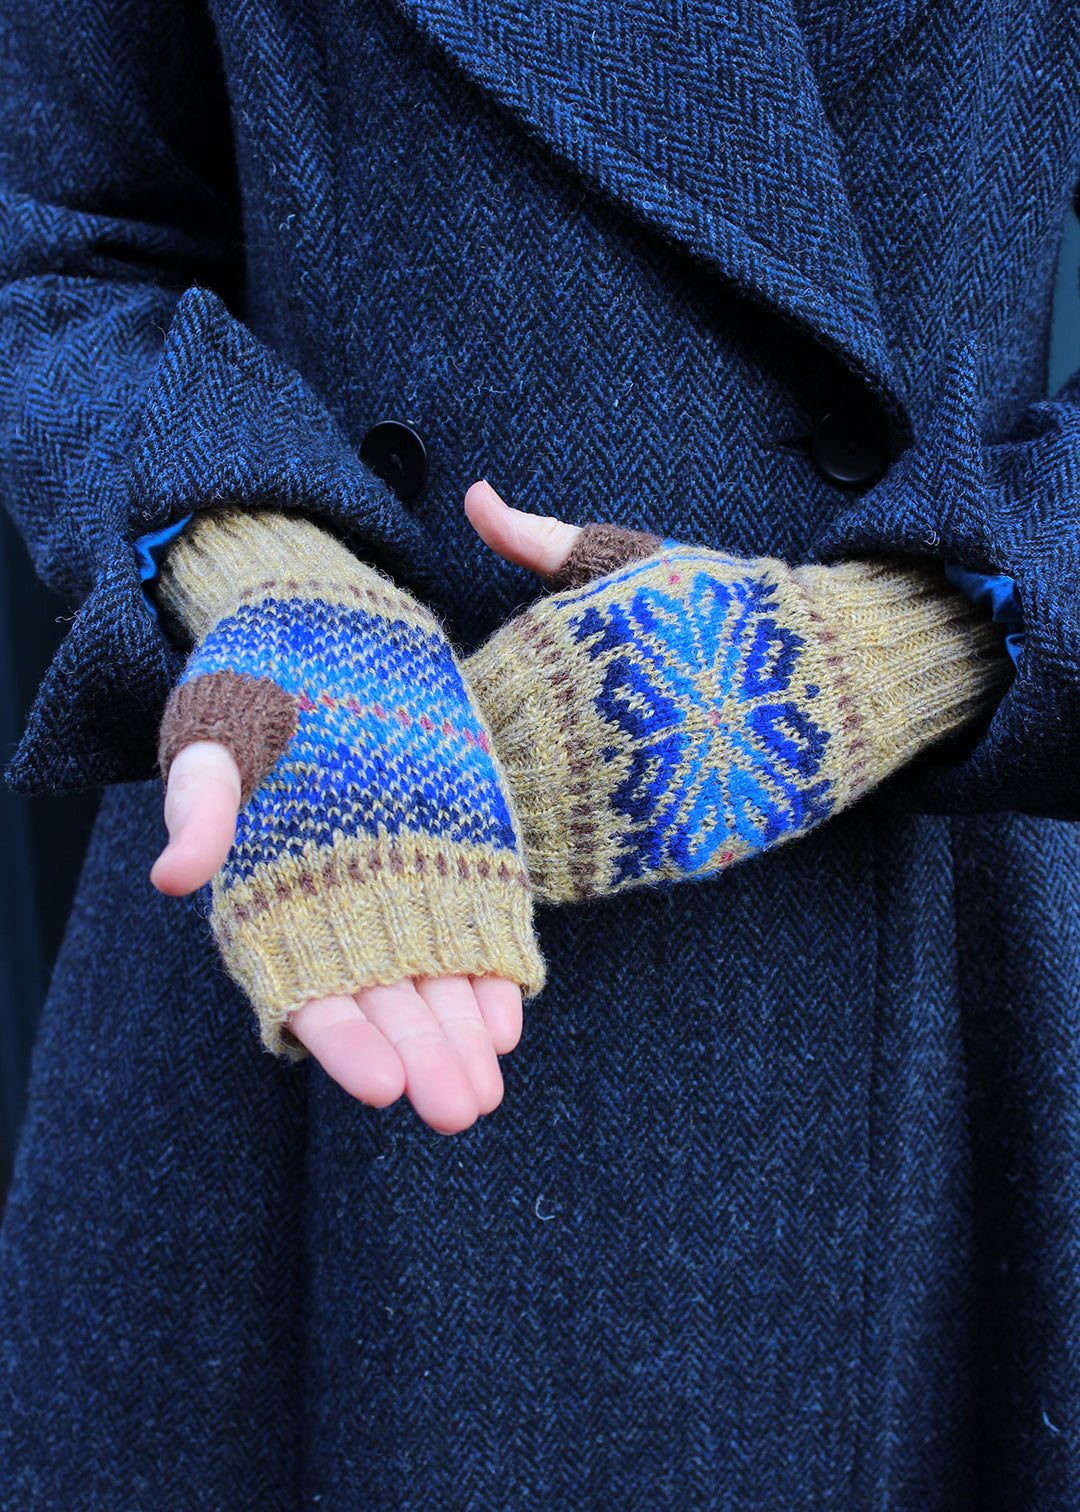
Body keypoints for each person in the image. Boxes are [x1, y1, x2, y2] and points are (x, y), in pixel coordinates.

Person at [1, 1, 1079, 1508]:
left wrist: (913, 639)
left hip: (907, 928)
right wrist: (259, 563)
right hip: (320, 869)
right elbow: (59, 239)